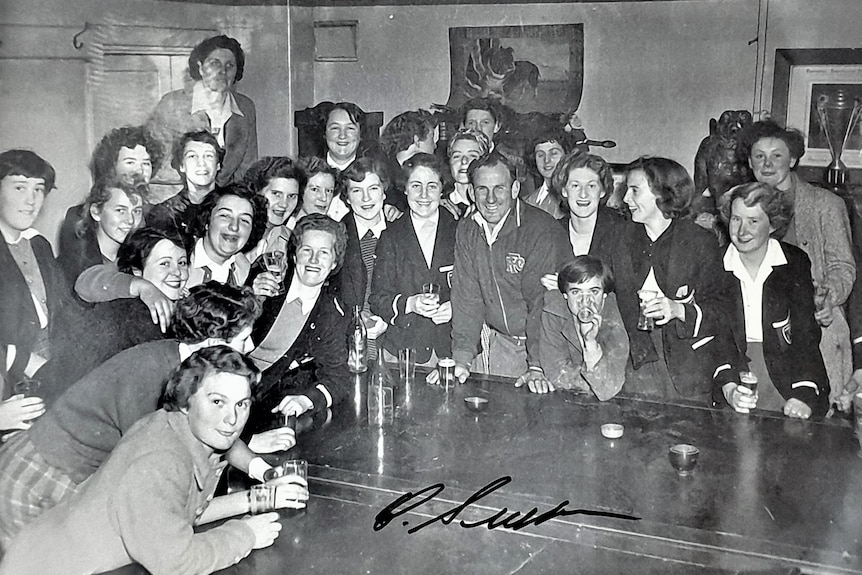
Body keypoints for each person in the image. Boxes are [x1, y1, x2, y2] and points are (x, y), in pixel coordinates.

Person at [0, 283, 296, 545]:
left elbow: (217, 434)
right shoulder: (153, 378)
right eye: (243, 340)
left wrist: (264, 472)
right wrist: (258, 502)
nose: (251, 347)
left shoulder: (190, 367)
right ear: (213, 342)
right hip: (37, 477)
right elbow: (176, 510)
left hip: (64, 474)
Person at [0, 346, 307, 575]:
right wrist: (245, 535)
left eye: (241, 404)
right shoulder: (161, 460)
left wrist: (263, 497)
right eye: (217, 402)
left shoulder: (175, 428)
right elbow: (176, 561)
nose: (232, 419)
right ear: (186, 402)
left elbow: (183, 513)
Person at [740, 120, 855, 406]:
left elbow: (843, 266)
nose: (767, 164)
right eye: (759, 156)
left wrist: (827, 296)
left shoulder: (825, 205)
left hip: (816, 328)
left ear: (792, 159)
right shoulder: (740, 206)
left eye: (776, 156)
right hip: (762, 338)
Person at [613, 156, 732, 404]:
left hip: (687, 370)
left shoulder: (700, 242)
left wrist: (679, 310)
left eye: (634, 190)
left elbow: (723, 311)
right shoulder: (620, 238)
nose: (625, 199)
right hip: (636, 365)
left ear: (663, 193)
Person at [74, 185, 269, 331]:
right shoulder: (173, 249)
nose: (234, 227)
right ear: (208, 221)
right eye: (225, 216)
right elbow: (86, 282)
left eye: (244, 220)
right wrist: (142, 287)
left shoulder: (246, 270)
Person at [448, 152, 569, 387]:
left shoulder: (540, 230)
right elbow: (466, 298)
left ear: (514, 189)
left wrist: (537, 366)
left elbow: (542, 303)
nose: (490, 198)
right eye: (482, 189)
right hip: (503, 344)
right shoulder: (467, 229)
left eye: (499, 188)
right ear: (471, 193)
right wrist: (461, 360)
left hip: (548, 348)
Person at [35, 227, 190, 402]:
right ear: (137, 272)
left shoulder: (174, 308)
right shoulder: (136, 314)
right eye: (165, 263)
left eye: (182, 263)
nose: (177, 272)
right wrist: (142, 286)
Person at [716, 181, 829, 419]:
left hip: (786, 369)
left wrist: (804, 393)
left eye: (753, 221)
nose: (742, 231)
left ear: (772, 224)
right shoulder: (715, 264)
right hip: (733, 368)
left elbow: (805, 333)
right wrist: (728, 386)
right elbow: (716, 337)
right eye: (736, 219)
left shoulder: (794, 262)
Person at [250, 213, 350, 419]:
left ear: (334, 263)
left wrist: (305, 400)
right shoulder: (265, 280)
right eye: (307, 250)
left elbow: (337, 377)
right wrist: (250, 298)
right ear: (295, 256)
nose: (314, 260)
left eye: (323, 253)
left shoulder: (331, 314)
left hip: (267, 404)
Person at [370, 154, 456, 365]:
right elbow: (378, 299)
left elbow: (479, 289)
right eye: (416, 185)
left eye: (432, 186)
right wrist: (410, 304)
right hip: (404, 351)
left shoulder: (460, 230)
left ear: (442, 189)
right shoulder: (391, 236)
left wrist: (457, 307)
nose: (424, 195)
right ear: (405, 188)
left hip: (453, 349)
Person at [147, 34, 258, 193]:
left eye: (230, 65)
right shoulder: (172, 104)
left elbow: (247, 170)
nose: (222, 72)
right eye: (214, 64)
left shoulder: (246, 108)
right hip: (177, 196)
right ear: (200, 67)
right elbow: (159, 165)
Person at [0, 150, 61, 432]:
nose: (31, 200)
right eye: (20, 187)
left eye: (39, 189)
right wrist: (21, 358)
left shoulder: (39, 244)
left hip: (50, 363)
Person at [57, 126, 160, 279]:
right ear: (112, 166)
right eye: (130, 162)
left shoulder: (158, 217)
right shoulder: (77, 216)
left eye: (146, 163)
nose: (139, 171)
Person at [535, 256, 629, 399]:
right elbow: (555, 372)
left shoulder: (616, 314)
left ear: (604, 294)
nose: (585, 301)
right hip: (571, 398)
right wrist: (591, 383)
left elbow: (608, 388)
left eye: (594, 291)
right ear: (565, 295)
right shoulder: (553, 310)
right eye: (576, 292)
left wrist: (591, 343)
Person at [541, 152, 628, 293]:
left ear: (602, 191)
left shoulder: (621, 230)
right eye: (575, 186)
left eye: (591, 186)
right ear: (564, 190)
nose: (583, 194)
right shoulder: (552, 232)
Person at [335, 156, 390, 344]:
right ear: (347, 198)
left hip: (396, 343)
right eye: (357, 191)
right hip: (350, 342)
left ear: (384, 192)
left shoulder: (402, 230)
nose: (366, 198)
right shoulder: (336, 236)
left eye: (373, 188)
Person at [57, 176, 146, 286]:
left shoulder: (137, 260)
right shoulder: (73, 265)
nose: (131, 220)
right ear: (96, 212)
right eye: (120, 210)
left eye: (136, 211)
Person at [146, 130, 223, 240]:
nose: (201, 163)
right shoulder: (165, 214)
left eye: (208, 156)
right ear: (182, 166)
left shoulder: (234, 206)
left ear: (218, 165)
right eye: (192, 156)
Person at [243, 156, 304, 261]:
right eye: (276, 194)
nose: (284, 204)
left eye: (292, 196)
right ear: (256, 191)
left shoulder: (291, 242)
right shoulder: (235, 231)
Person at [522, 128, 576, 219]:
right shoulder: (527, 201)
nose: (546, 160)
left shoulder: (574, 196)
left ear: (567, 155)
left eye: (554, 153)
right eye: (540, 155)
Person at [444, 128, 491, 217]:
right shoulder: (438, 202)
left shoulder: (493, 202)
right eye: (457, 156)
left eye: (472, 155)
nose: (464, 161)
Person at [286, 156, 338, 229]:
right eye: (315, 190)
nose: (324, 198)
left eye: (329, 191)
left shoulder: (336, 232)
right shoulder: (282, 230)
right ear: (300, 191)